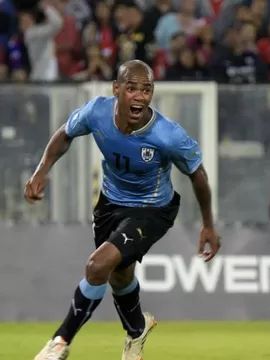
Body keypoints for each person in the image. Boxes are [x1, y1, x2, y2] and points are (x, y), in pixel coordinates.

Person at [25, 60, 221, 360]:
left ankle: (60, 342)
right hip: (110, 204)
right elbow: (65, 133)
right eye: (132, 88)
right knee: (119, 277)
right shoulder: (97, 112)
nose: (140, 97)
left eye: (147, 89)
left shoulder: (167, 135)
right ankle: (136, 330)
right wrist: (42, 170)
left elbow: (198, 175)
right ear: (116, 89)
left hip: (152, 209)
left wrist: (208, 224)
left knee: (97, 266)